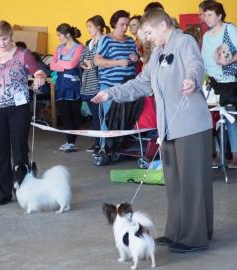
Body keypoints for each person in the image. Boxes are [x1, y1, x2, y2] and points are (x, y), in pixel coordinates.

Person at [92, 8, 213, 253]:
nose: (146, 38)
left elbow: (196, 65)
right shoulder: (158, 53)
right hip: (168, 128)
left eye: (148, 32)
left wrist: (191, 79)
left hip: (191, 126)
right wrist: (111, 93)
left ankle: (195, 238)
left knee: (192, 183)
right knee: (175, 183)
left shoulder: (184, 41)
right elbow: (140, 83)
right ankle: (177, 232)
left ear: (161, 26)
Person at [0, 20, 46, 205]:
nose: (1, 43)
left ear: (11, 36)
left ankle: (23, 189)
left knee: (19, 150)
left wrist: (39, 78)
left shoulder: (23, 54)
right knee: (1, 151)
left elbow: (39, 72)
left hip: (19, 107)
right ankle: (4, 193)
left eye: (4, 39)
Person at [201, 1, 237, 166]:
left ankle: (236, 156)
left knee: (230, 119)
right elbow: (204, 60)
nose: (207, 18)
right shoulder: (206, 35)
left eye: (210, 14)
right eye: (205, 15)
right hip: (211, 82)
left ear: (219, 15)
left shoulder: (230, 29)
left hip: (228, 80)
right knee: (215, 120)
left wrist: (229, 61)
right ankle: (220, 154)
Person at [94, 10, 137, 151]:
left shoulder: (130, 40)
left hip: (128, 86)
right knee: (109, 118)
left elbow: (134, 58)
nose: (125, 28)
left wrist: (134, 58)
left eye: (127, 24)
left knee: (125, 119)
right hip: (109, 86)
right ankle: (105, 148)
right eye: (122, 24)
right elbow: (97, 61)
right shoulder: (106, 39)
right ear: (114, 24)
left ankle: (119, 147)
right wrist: (117, 63)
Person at [50, 23, 84, 152]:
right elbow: (52, 65)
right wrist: (64, 64)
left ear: (68, 34)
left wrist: (60, 64)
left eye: (59, 35)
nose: (58, 38)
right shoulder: (59, 48)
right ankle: (70, 141)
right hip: (60, 85)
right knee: (64, 114)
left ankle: (72, 141)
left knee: (74, 114)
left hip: (74, 86)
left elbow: (72, 65)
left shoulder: (79, 48)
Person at [80, 15, 110, 153]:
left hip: (99, 83)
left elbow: (100, 61)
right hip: (88, 83)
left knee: (100, 116)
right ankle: (96, 142)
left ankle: (100, 143)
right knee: (94, 115)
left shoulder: (105, 41)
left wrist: (91, 64)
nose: (89, 30)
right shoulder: (89, 42)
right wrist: (87, 64)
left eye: (90, 26)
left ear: (98, 27)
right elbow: (82, 61)